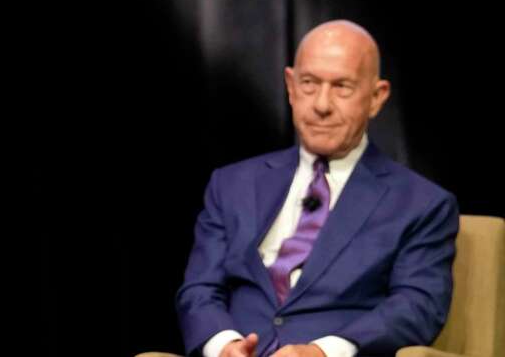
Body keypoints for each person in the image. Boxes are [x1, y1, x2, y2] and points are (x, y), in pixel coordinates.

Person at [176, 20, 458, 357]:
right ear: (291, 86)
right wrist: (223, 345)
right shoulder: (232, 184)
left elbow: (416, 306)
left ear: (376, 97)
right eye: (309, 84)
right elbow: (200, 288)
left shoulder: (421, 204)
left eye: (342, 87)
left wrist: (323, 352)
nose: (322, 105)